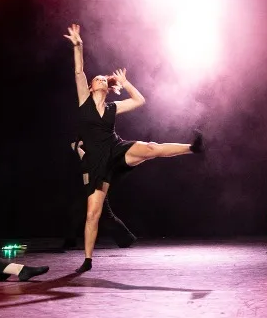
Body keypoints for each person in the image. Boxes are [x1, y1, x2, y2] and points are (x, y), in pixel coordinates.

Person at [64, 23, 203, 272]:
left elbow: (139, 100)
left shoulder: (112, 108)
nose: (101, 79)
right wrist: (79, 45)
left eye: (103, 79)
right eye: (97, 79)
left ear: (107, 88)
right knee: (93, 213)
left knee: (151, 148)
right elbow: (78, 71)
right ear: (91, 87)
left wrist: (125, 82)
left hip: (115, 148)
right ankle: (87, 260)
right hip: (96, 162)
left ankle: (192, 148)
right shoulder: (84, 102)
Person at [62, 140, 137, 250]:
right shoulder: (87, 155)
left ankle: (127, 238)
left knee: (105, 216)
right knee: (76, 212)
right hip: (87, 188)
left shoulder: (101, 157)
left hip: (97, 187)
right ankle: (70, 240)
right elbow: (74, 145)